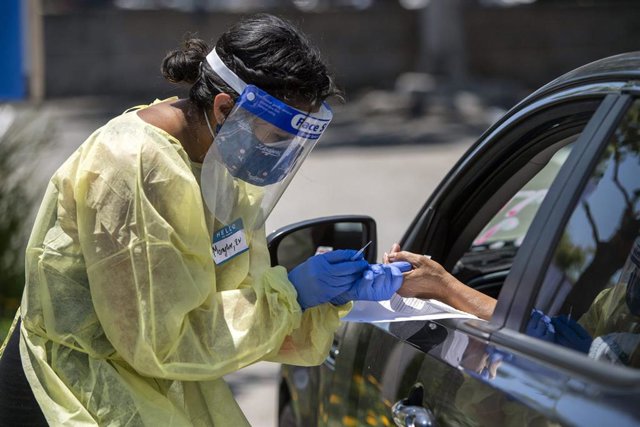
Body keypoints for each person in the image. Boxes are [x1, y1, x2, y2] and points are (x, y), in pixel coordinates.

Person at [0, 14, 409, 426]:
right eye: (276, 137)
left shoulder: (217, 159)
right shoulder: (135, 167)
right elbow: (161, 342)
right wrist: (292, 296)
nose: (278, 154)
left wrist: (318, 302)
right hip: (71, 392)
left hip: (149, 384)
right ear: (224, 107)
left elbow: (228, 315)